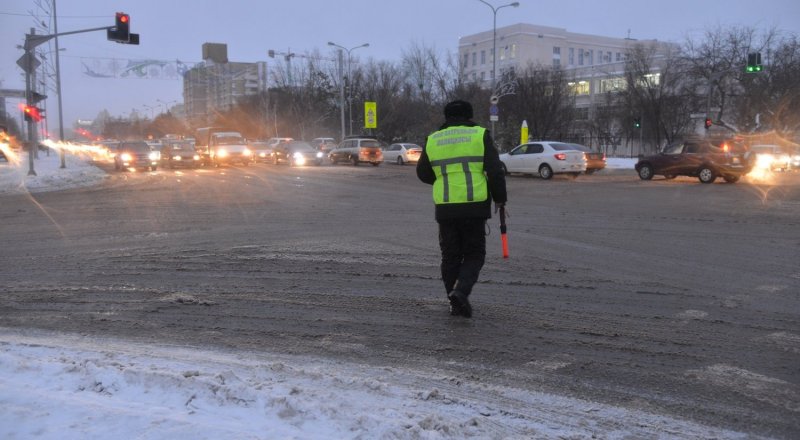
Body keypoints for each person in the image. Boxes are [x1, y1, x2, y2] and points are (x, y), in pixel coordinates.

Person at [416, 100, 507, 318]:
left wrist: (445, 180)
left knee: (450, 256)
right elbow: (495, 171)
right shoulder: (479, 135)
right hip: (475, 206)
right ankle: (461, 291)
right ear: (469, 115)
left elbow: (423, 173)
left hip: (446, 207)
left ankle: (453, 299)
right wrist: (500, 199)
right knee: (475, 254)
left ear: (446, 116)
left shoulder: (433, 139)